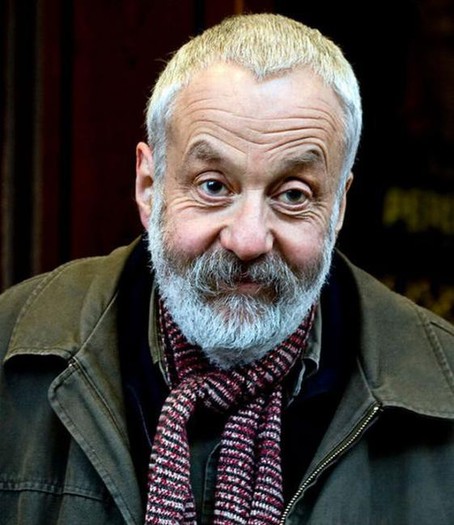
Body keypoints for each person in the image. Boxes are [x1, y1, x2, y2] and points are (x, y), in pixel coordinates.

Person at [1, 13, 453, 525]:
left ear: (339, 207)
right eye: (213, 186)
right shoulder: (11, 352)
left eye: (293, 195)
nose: (248, 240)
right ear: (149, 187)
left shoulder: (444, 393)